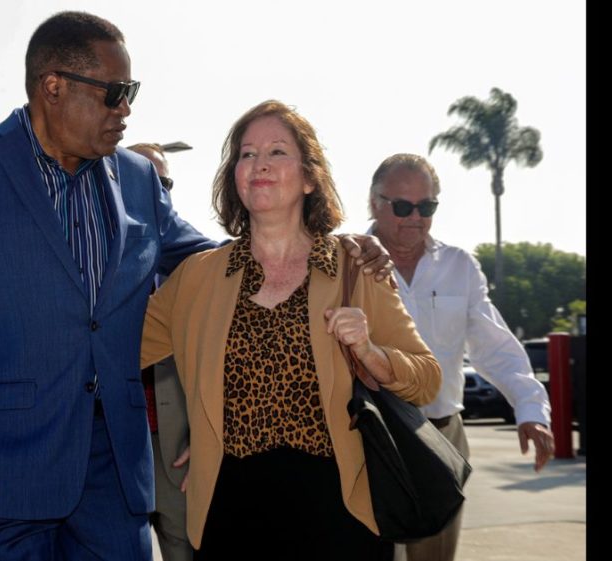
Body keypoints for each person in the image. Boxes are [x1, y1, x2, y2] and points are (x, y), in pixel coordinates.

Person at [0, 12, 391, 560]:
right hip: (0, 478)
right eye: (115, 93)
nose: (126, 110)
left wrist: (329, 249)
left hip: (115, 481)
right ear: (53, 86)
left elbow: (217, 262)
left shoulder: (137, 179)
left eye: (131, 93)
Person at [140, 101, 442, 560]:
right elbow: (113, 349)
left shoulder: (356, 267)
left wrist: (371, 353)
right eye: (246, 154)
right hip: (229, 515)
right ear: (234, 177)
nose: (259, 162)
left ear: (308, 178)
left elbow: (427, 377)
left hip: (339, 512)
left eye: (277, 152)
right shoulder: (196, 278)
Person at [365, 153, 554, 561]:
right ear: (374, 203)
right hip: (365, 436)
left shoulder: (459, 267)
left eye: (427, 206)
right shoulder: (345, 260)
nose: (415, 217)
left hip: (441, 435)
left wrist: (531, 410)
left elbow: (494, 346)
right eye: (402, 206)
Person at [128, 142, 193, 561]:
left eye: (165, 181)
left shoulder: (194, 265)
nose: (159, 192)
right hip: (115, 452)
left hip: (178, 454)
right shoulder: (89, 259)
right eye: (147, 181)